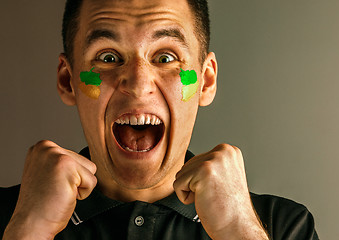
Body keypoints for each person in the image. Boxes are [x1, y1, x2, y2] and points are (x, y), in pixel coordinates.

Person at [0, 0, 319, 239]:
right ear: (68, 80)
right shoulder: (12, 218)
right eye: (108, 57)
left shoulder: (283, 226)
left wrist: (238, 230)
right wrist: (29, 229)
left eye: (165, 58)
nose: (138, 85)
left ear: (205, 82)